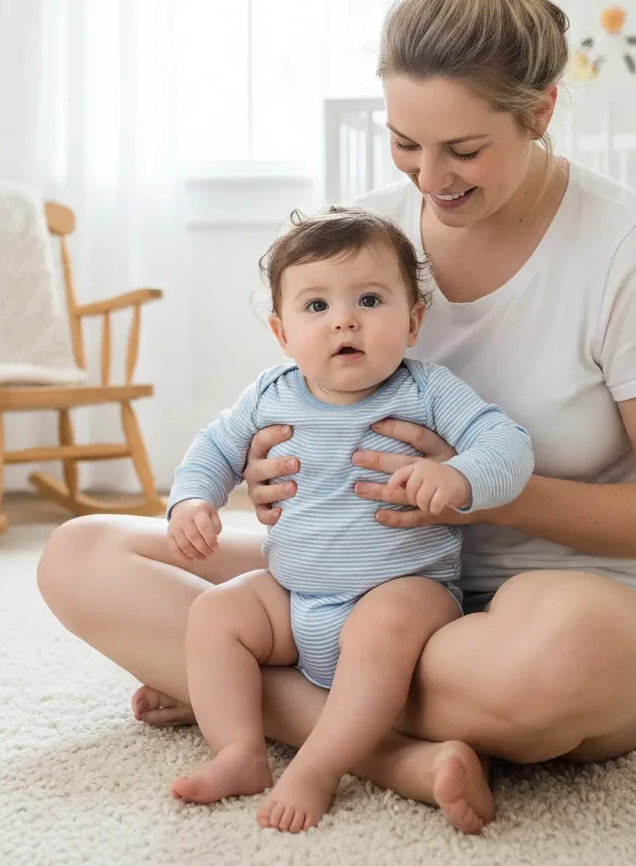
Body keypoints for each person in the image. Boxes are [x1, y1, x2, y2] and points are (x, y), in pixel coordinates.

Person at [35, 0, 636, 835]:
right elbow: (293, 393)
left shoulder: (625, 249)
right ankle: (381, 745)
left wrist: (481, 496)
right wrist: (263, 475)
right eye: (405, 142)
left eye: (465, 150)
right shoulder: (368, 236)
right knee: (80, 555)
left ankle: (252, 702)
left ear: (542, 111)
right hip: (351, 571)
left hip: (556, 597)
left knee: (567, 663)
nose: (429, 179)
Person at [165, 206, 533, 833]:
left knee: (382, 625)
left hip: (406, 590)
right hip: (295, 594)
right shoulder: (270, 392)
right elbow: (214, 447)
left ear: (413, 321)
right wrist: (192, 499)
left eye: (369, 299)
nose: (344, 319)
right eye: (316, 307)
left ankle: (317, 767)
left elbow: (508, 444)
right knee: (214, 614)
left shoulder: (427, 391)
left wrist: (460, 477)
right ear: (282, 334)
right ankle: (239, 751)